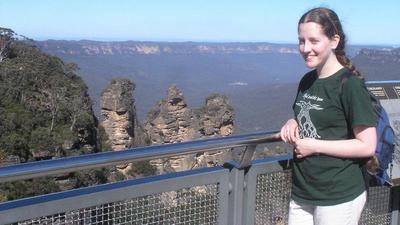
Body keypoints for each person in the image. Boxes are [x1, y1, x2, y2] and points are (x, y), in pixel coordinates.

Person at [280, 7, 377, 225]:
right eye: (301, 41)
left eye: (314, 41)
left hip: (338, 195)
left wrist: (315, 146)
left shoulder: (350, 85)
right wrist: (292, 120)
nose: (306, 48)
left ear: (334, 41)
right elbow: (313, 115)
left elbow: (367, 146)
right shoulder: (307, 81)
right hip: (303, 192)